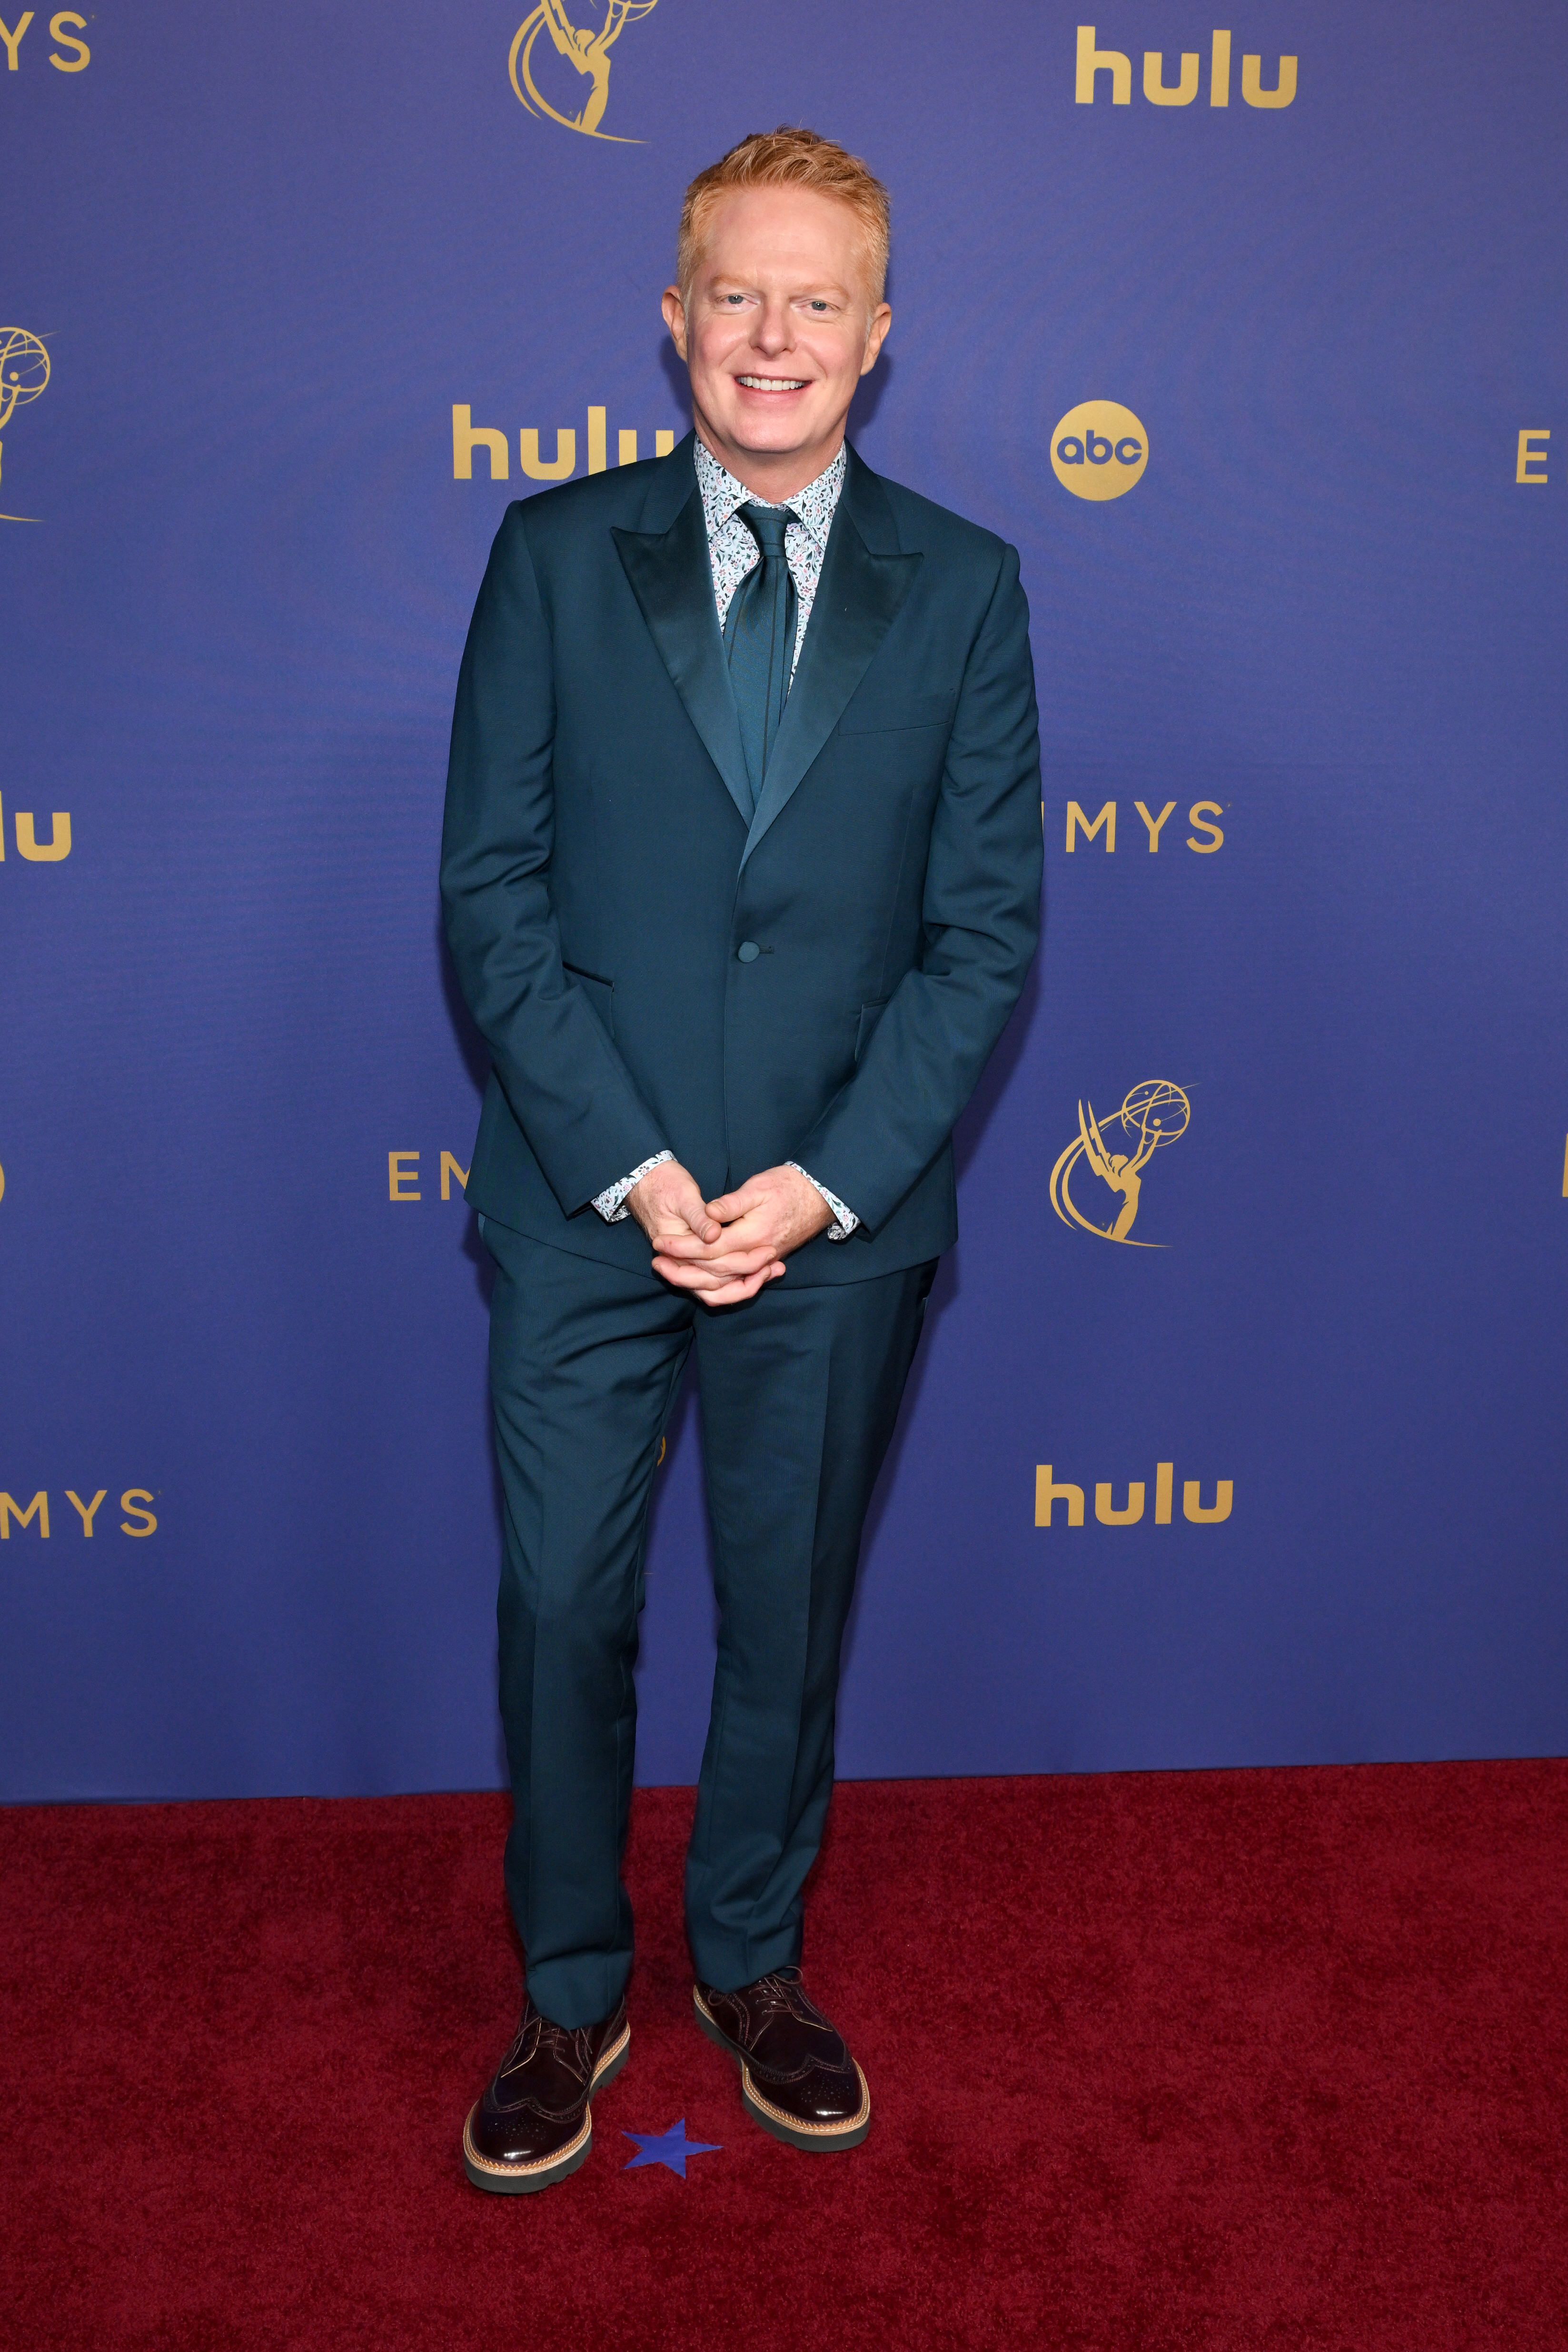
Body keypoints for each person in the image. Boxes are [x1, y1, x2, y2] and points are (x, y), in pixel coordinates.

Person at [441, 126, 1042, 2193]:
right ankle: (568, 1986)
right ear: (672, 317)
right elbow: (490, 901)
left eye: (816, 299)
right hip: (589, 1206)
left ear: (876, 339)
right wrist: (630, 1166)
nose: (769, 334)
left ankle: (750, 1962)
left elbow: (982, 936)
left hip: (833, 1224)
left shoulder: (964, 585)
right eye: (735, 292)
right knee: (558, 1607)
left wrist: (825, 1181)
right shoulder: (547, 552)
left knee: (783, 1618)